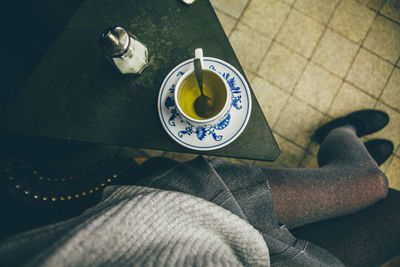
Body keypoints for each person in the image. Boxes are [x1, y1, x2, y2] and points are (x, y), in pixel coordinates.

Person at [0, 109, 399, 266]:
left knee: (368, 186)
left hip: (184, 217)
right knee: (386, 207)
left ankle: (343, 138)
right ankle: (346, 145)